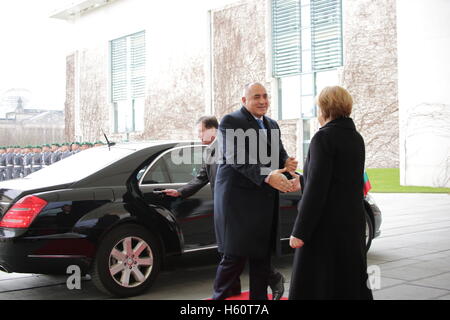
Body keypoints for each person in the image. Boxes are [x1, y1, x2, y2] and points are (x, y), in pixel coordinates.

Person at [212, 82, 299, 300]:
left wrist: (288, 168)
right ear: (244, 100)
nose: (262, 101)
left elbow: (278, 157)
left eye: (265, 96)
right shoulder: (230, 121)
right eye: (256, 97)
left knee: (262, 258)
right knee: (234, 258)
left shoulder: (272, 124)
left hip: (264, 200)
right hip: (237, 202)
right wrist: (269, 176)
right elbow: (236, 158)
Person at [288, 86, 373, 300]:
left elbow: (317, 190)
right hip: (351, 224)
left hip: (326, 227)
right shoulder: (355, 137)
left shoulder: (323, 138)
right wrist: (303, 179)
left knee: (318, 283)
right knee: (348, 282)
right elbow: (339, 177)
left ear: (324, 108)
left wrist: (300, 231)